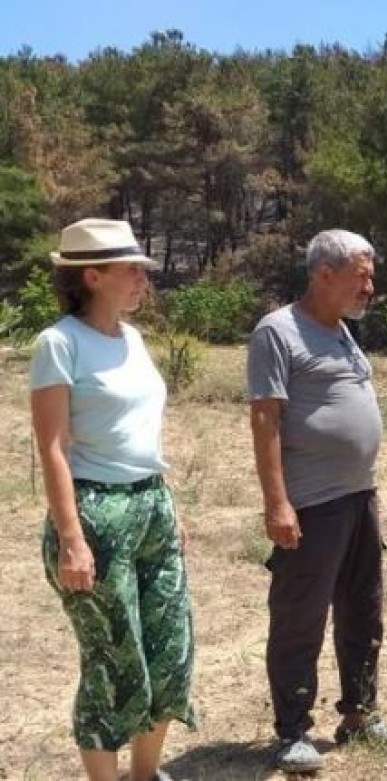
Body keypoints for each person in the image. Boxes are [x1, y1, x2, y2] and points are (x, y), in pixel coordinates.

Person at [30, 218, 196, 781]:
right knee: (112, 664)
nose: (141, 280)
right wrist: (72, 539)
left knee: (170, 655)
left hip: (150, 505)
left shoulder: (134, 339)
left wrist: (168, 505)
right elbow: (52, 447)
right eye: (130, 270)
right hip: (94, 514)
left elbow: (142, 434)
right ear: (92, 276)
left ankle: (145, 775)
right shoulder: (59, 343)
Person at [247, 229, 387, 774]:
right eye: (361, 275)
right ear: (323, 273)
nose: (370, 286)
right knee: (299, 616)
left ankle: (359, 712)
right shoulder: (279, 332)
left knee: (364, 607)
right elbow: (265, 419)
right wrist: (277, 503)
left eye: (371, 275)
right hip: (312, 502)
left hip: (360, 496)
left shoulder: (341, 332)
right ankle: (292, 730)